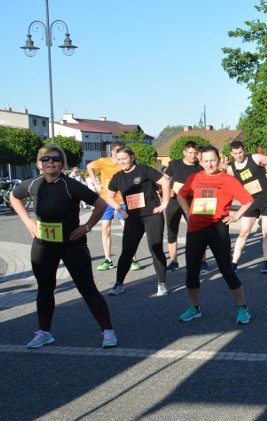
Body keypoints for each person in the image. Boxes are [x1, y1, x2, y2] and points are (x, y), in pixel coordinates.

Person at [10, 145, 117, 349]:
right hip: (43, 245)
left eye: (55, 159)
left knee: (87, 288)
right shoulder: (33, 184)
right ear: (39, 164)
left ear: (62, 163)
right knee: (44, 289)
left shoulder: (70, 185)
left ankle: (108, 331)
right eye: (45, 159)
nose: (50, 162)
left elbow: (101, 205)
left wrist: (86, 227)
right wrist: (28, 221)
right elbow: (14, 197)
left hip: (72, 244)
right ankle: (44, 332)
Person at [175, 146, 254, 324]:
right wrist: (187, 212)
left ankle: (243, 308)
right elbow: (181, 195)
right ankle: (194, 308)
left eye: (213, 160)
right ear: (200, 162)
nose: (210, 164)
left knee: (226, 270)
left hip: (217, 227)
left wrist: (236, 216)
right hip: (195, 228)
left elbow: (248, 200)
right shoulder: (195, 177)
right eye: (206, 160)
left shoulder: (227, 179)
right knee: (192, 271)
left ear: (219, 160)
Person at [104, 146, 171, 297]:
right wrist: (120, 210)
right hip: (133, 217)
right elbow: (108, 196)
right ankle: (119, 284)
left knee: (155, 248)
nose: (122, 162)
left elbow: (165, 182)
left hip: (152, 214)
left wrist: (164, 203)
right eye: (119, 159)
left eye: (125, 158)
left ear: (132, 157)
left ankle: (161, 283)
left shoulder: (143, 170)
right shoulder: (117, 177)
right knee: (127, 250)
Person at [227, 140, 267, 274]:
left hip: (265, 198)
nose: (239, 155)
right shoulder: (231, 169)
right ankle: (234, 263)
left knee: (266, 231)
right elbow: (229, 186)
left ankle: (266, 262)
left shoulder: (255, 158)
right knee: (244, 232)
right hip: (249, 201)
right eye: (236, 153)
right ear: (231, 153)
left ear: (244, 150)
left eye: (241, 152)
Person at [87, 141, 138, 272]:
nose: (119, 156)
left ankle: (132, 259)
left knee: (127, 230)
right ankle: (108, 260)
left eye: (122, 153)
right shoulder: (104, 161)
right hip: (107, 200)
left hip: (122, 200)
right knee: (105, 229)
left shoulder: (124, 163)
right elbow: (89, 166)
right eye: (116, 153)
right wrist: (96, 183)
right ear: (112, 152)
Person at [162, 141, 207, 272]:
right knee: (172, 232)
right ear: (184, 152)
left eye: (195, 153)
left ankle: (203, 261)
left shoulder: (200, 168)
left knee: (199, 232)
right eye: (190, 153)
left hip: (193, 202)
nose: (193, 156)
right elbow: (164, 180)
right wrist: (167, 189)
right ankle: (174, 261)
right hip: (174, 201)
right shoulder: (174, 164)